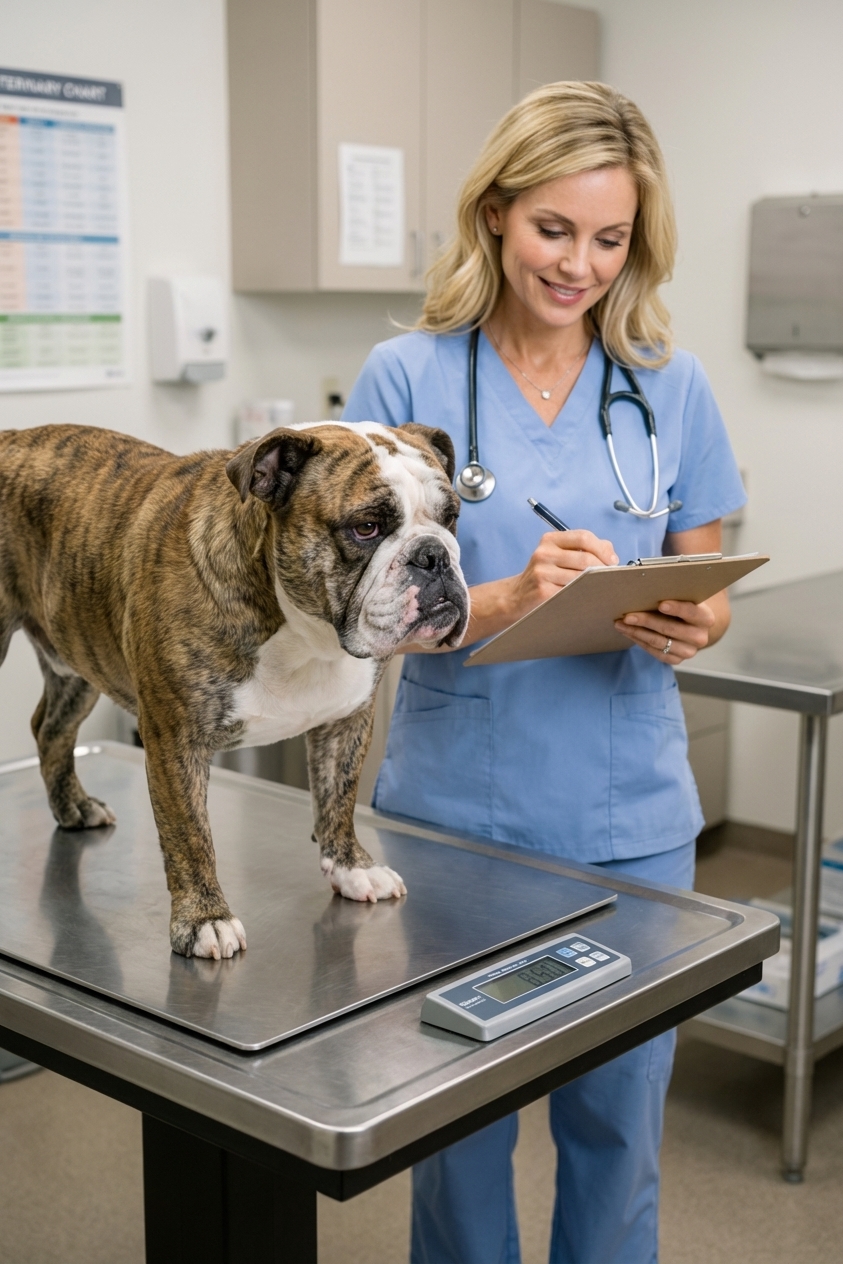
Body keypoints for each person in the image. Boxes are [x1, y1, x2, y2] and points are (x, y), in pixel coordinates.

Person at [343, 81, 745, 1264]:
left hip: (632, 820)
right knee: (459, 1130)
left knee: (618, 1129)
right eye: (553, 231)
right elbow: (347, 618)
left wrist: (693, 620)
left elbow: (706, 578)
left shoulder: (671, 385)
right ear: (497, 214)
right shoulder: (406, 378)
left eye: (610, 239)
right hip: (458, 822)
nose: (580, 265)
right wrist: (508, 597)